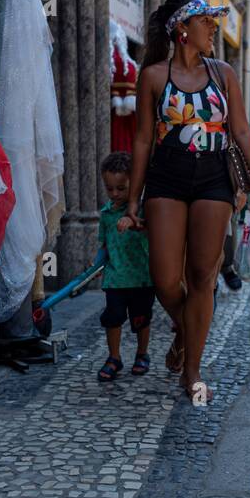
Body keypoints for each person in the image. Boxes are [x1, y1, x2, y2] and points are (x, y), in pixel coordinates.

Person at [121, 0, 250, 402]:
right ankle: (187, 329)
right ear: (183, 30)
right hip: (166, 178)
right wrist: (132, 201)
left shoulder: (223, 74)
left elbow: (240, 132)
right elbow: (144, 139)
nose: (214, 29)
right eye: (207, 22)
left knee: (202, 275)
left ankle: (192, 369)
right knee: (165, 278)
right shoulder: (152, 76)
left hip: (214, 178)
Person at [96, 153, 155, 379]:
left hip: (142, 277)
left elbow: (152, 231)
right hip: (115, 278)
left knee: (141, 317)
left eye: (121, 188)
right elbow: (104, 244)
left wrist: (133, 222)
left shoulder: (142, 210)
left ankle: (142, 354)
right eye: (109, 189)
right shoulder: (106, 214)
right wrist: (95, 263)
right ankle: (114, 357)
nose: (115, 194)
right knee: (113, 317)